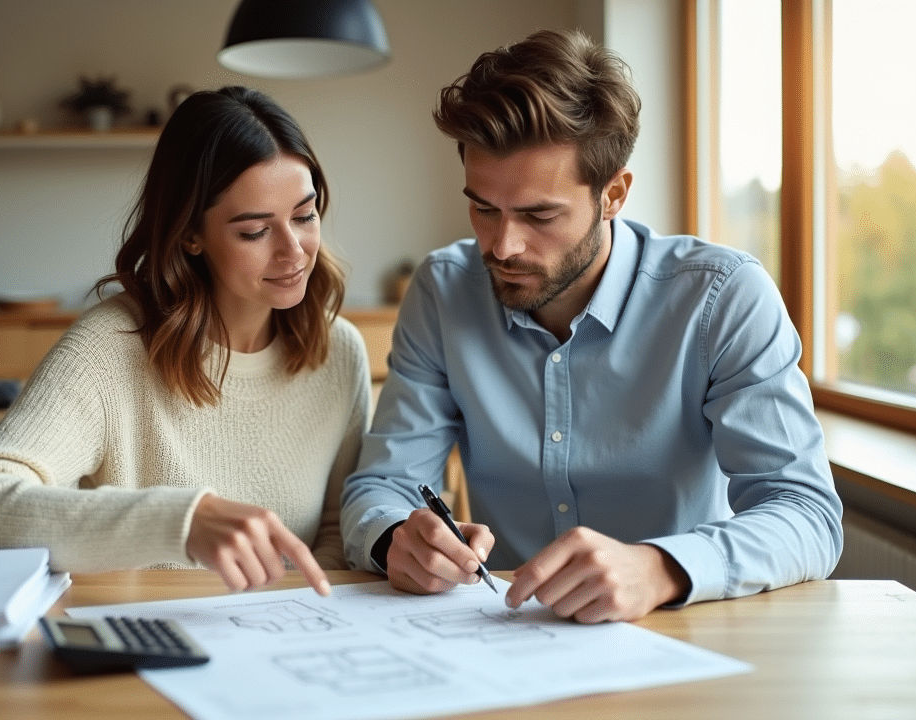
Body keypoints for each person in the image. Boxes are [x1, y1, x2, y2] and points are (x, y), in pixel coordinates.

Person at [341, 29, 843, 623]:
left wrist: (659, 567)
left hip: (681, 631)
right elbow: (383, 485)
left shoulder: (722, 297)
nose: (502, 245)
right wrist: (397, 537)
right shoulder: (443, 289)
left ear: (614, 194)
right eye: (483, 208)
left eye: (539, 214)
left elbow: (806, 513)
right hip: (503, 633)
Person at [0, 86, 371, 597]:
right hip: (141, 644)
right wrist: (180, 522)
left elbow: (332, 530)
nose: (294, 251)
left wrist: (289, 607)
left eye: (305, 215)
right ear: (191, 235)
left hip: (282, 647)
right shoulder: (109, 347)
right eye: (255, 231)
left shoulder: (338, 351)